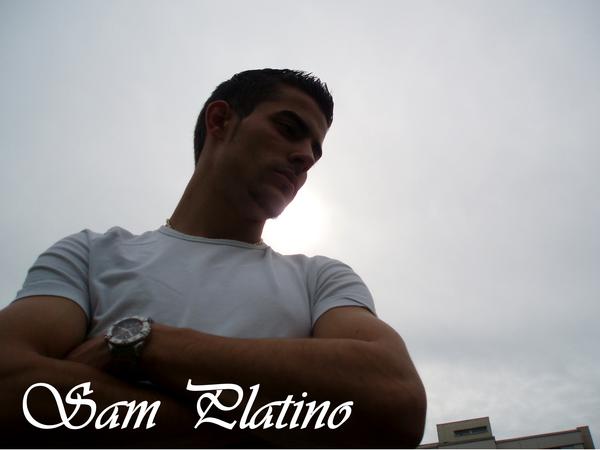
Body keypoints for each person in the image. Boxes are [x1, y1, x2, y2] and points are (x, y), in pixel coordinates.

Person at [0, 69, 426, 448]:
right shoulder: (90, 255)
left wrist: (140, 345)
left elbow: (396, 400)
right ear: (220, 120)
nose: (305, 158)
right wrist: (269, 427)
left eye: (314, 152)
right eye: (288, 128)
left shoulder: (321, 279)